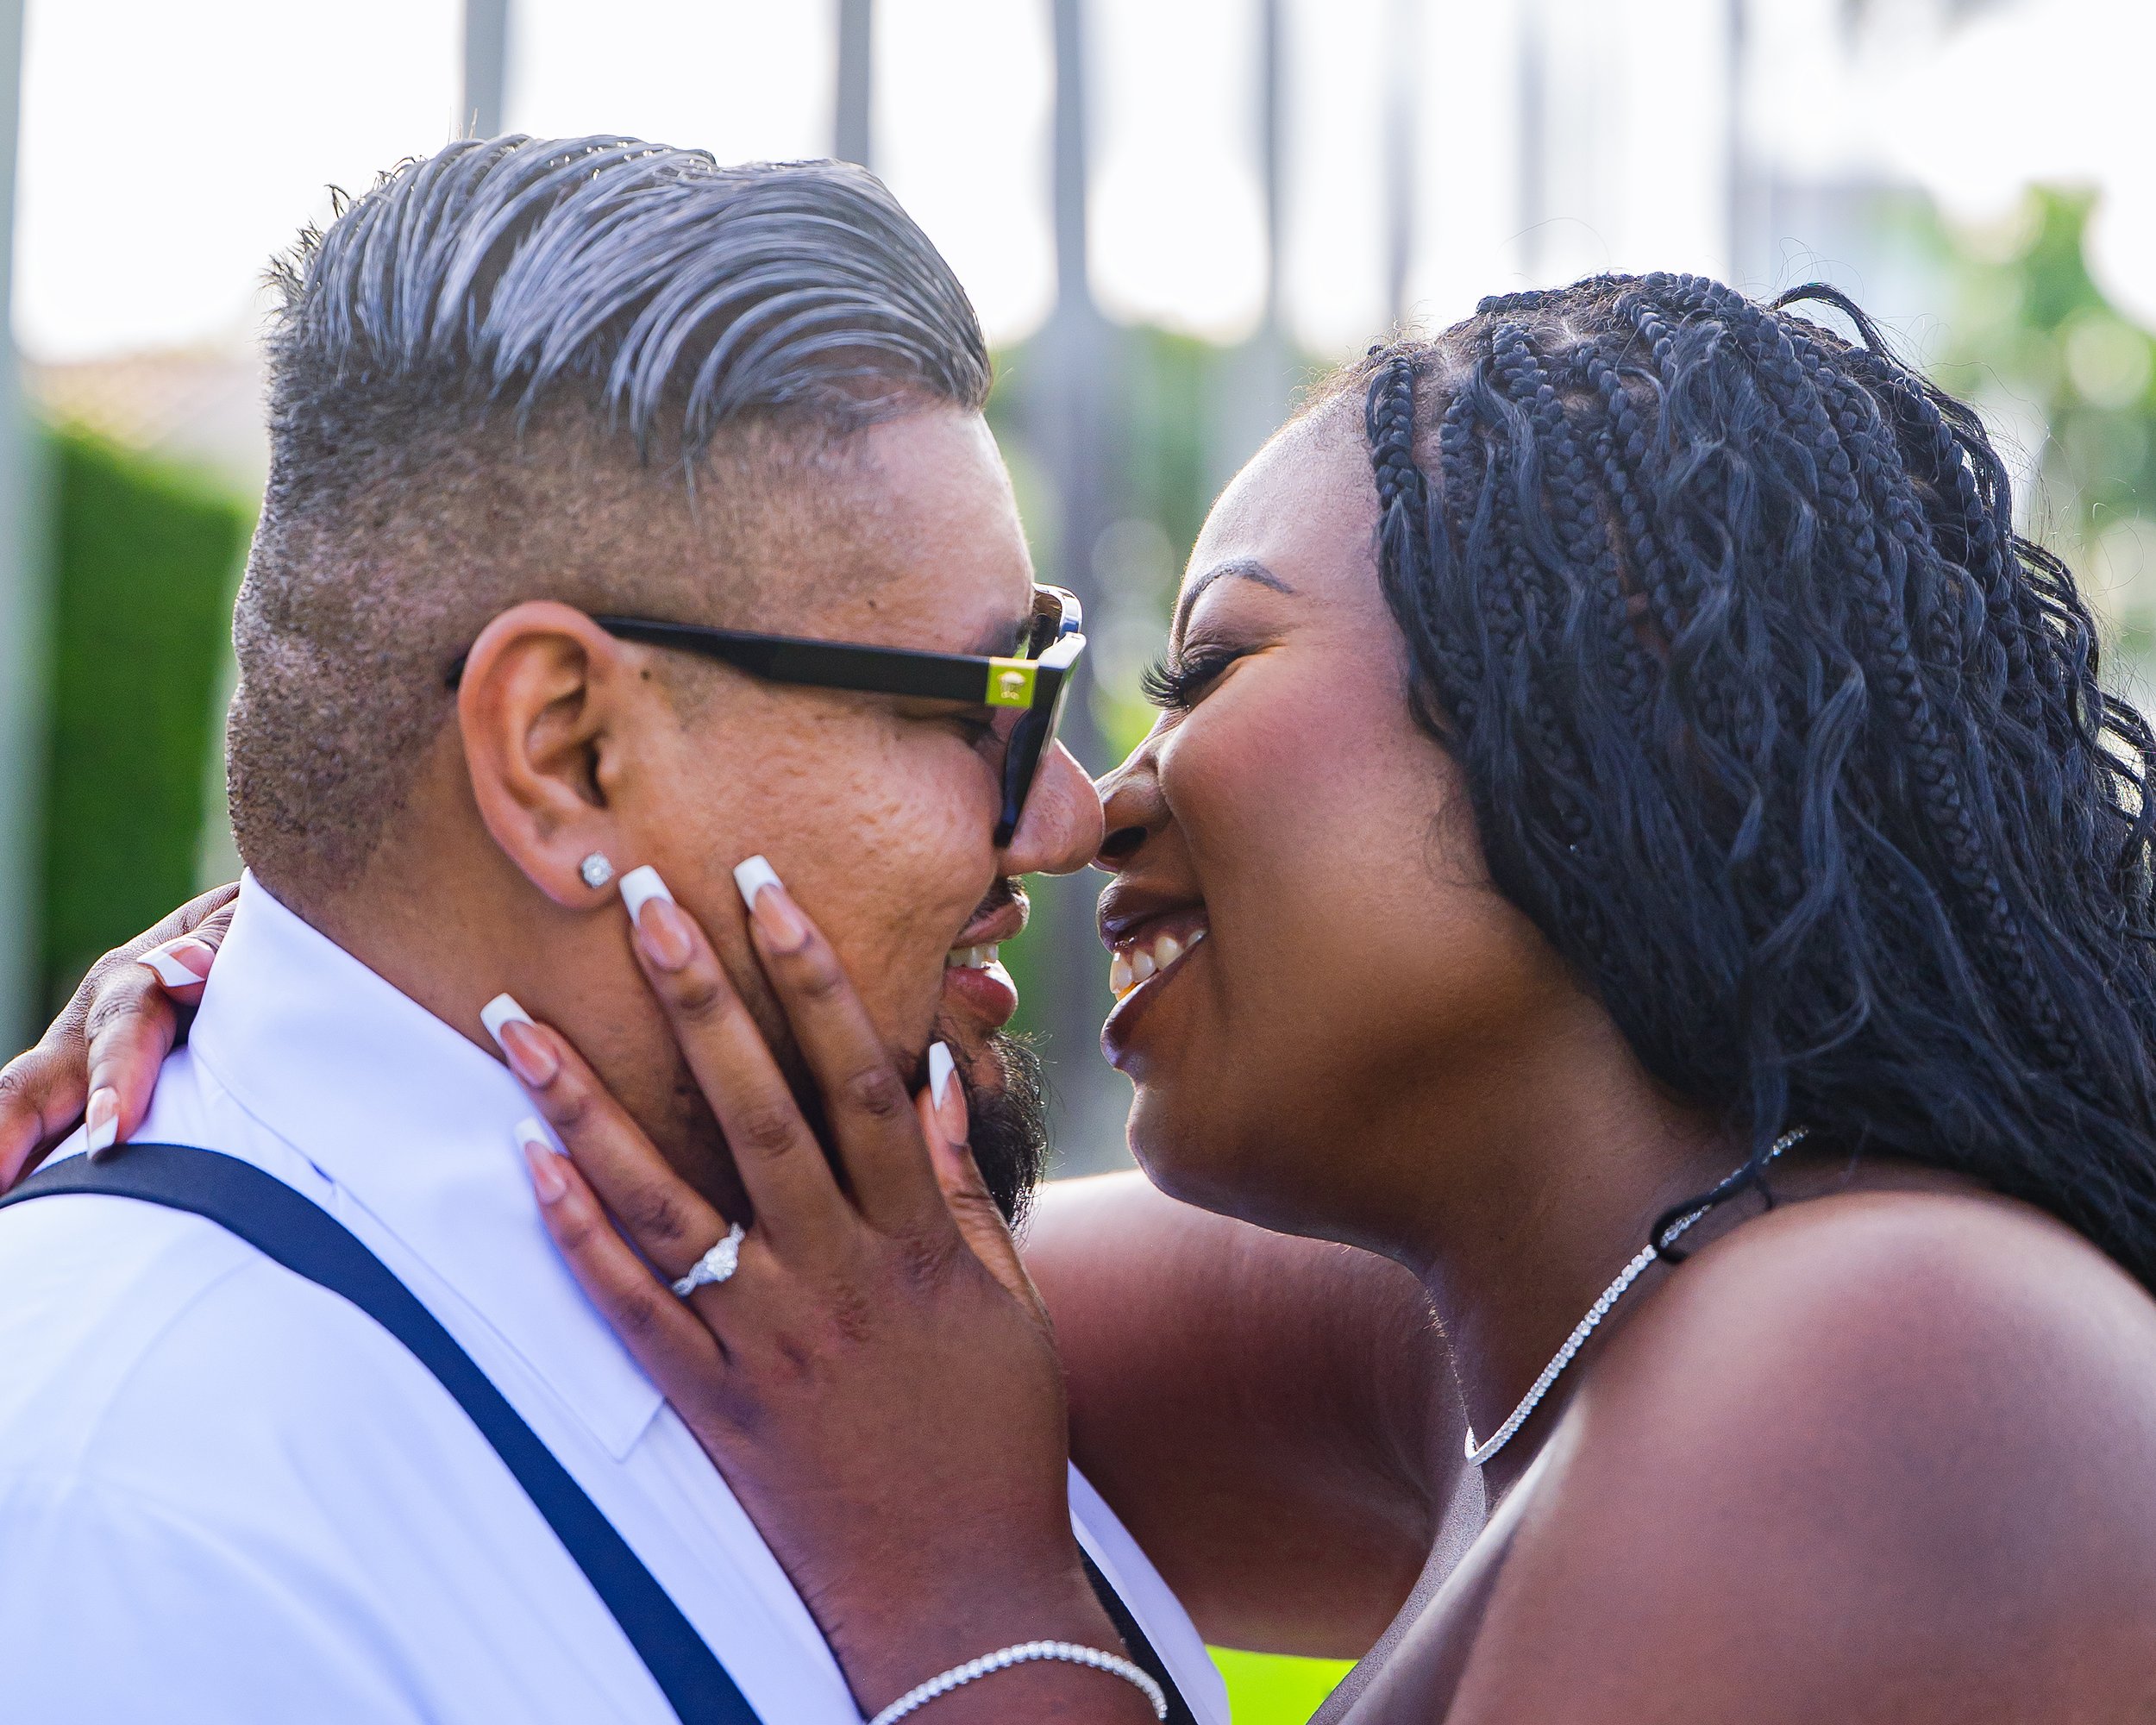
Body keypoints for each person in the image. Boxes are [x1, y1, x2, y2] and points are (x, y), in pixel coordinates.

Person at [22, 274, 2156, 1711]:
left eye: (1206, 665)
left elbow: (894, 1404)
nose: (1090, 804)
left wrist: (980, 1620)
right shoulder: (1538, 1324)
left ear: (1619, 707)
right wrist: (329, 952)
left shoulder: (1883, 1363)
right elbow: (783, 1298)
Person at [0, 132, 1264, 1724]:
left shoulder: (894, 1323)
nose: (1069, 817)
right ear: (566, 753)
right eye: (985, 703)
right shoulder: (131, 1532)